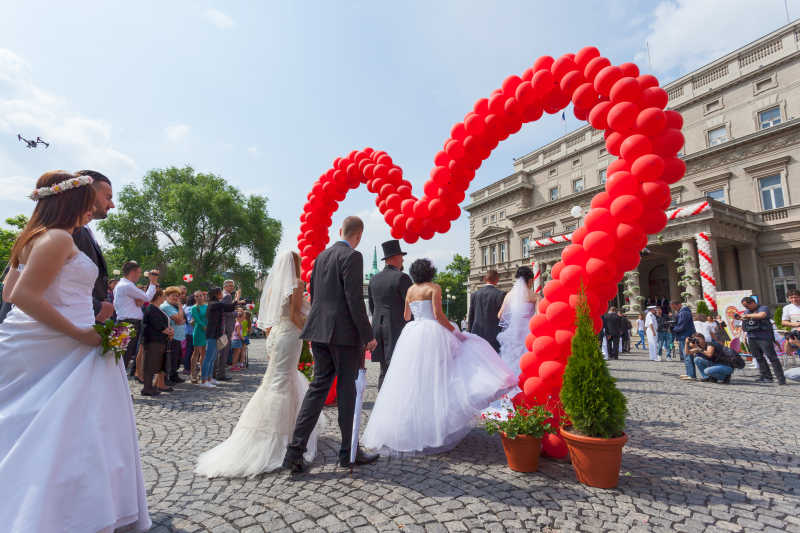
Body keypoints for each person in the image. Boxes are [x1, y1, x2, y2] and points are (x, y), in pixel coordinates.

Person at [0, 171, 150, 532]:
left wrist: (89, 314)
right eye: (92, 198)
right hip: (65, 345)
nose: (96, 206)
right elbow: (20, 296)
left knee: (49, 430)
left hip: (55, 340)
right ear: (73, 199)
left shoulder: (36, 238)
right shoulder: (55, 239)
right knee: (72, 433)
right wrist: (81, 333)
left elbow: (10, 293)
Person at [361, 259, 516, 455]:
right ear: (430, 272)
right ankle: (436, 425)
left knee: (412, 381)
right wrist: (456, 332)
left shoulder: (410, 290)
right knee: (439, 378)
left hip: (413, 333)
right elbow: (438, 315)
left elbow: (407, 316)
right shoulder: (434, 287)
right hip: (432, 332)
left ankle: (412, 425)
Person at [196, 252, 325, 477]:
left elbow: (276, 314)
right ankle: (282, 435)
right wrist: (311, 331)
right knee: (282, 381)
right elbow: (295, 315)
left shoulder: (274, 287)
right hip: (290, 335)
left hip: (277, 334)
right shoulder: (296, 284)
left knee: (277, 380)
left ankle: (286, 429)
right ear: (295, 264)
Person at [283, 216, 379, 473]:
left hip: (319, 331)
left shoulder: (321, 258)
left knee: (317, 390)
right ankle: (348, 452)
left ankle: (294, 452)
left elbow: (314, 294)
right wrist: (368, 334)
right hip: (344, 336)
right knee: (347, 393)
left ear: (340, 230)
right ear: (358, 236)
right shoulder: (353, 257)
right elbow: (354, 299)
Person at [368, 239, 413, 389]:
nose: (403, 259)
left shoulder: (374, 279)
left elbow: (372, 308)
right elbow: (411, 306)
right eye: (401, 256)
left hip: (378, 328)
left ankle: (382, 402)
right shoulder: (402, 277)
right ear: (394, 258)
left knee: (384, 370)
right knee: (399, 369)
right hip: (396, 329)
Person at [71, 170, 115, 323]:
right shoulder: (65, 229)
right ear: (88, 193)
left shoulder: (83, 230)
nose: (112, 205)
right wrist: (97, 307)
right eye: (108, 197)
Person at [114, 260, 158, 375]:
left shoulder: (122, 285)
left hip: (124, 322)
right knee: (122, 358)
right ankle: (118, 389)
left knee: (121, 358)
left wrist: (140, 300)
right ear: (132, 272)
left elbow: (140, 302)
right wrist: (153, 283)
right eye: (139, 272)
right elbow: (147, 298)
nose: (140, 275)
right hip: (128, 323)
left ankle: (118, 388)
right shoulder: (127, 286)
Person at [496, 266, 537, 375]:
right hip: (529, 334)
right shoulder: (534, 296)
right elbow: (539, 316)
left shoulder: (509, 295)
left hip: (513, 333)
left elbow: (500, 315)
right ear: (530, 280)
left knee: (512, 362)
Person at [740, 296, 786, 385]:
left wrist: (747, 316)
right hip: (752, 337)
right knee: (758, 358)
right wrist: (742, 317)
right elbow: (745, 321)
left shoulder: (763, 308)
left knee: (772, 358)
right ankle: (766, 377)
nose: (746, 308)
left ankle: (781, 378)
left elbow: (762, 315)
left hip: (764, 337)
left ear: (753, 303)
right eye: (745, 307)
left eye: (747, 306)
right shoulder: (747, 312)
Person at [202, 287, 240, 388]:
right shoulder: (215, 304)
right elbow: (231, 307)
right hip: (212, 334)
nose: (222, 294)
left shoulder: (216, 304)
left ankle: (210, 378)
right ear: (217, 294)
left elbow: (230, 308)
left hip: (216, 334)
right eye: (220, 293)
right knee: (208, 358)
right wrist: (237, 297)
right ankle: (204, 380)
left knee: (213, 357)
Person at [141, 289, 174, 396]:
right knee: (149, 365)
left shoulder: (156, 308)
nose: (164, 298)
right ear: (158, 296)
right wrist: (168, 331)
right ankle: (147, 388)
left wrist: (169, 331)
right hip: (153, 341)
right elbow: (157, 325)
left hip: (158, 340)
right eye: (163, 296)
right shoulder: (151, 308)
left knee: (154, 364)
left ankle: (151, 387)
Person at [467, 270, 504, 351]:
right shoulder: (500, 294)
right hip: (494, 336)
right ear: (497, 279)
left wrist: (469, 332)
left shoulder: (475, 294)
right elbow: (503, 317)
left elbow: (471, 316)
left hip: (476, 334)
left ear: (485, 279)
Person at [160, 286, 186, 384]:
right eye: (173, 296)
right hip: (171, 336)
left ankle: (174, 375)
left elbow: (182, 319)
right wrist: (180, 307)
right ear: (167, 296)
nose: (176, 298)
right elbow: (179, 320)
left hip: (177, 336)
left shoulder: (172, 306)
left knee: (177, 358)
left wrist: (180, 318)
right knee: (171, 358)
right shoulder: (166, 306)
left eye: (177, 296)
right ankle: (168, 377)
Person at [214, 279, 236, 381]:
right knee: (223, 352)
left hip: (221, 326)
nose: (232, 287)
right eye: (230, 286)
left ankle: (215, 372)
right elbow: (226, 311)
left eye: (233, 286)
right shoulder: (227, 296)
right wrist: (237, 313)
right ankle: (220, 374)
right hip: (226, 327)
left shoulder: (222, 295)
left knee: (219, 351)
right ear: (225, 286)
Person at [670, 300, 696, 377]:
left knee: (687, 355)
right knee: (686, 356)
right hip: (683, 336)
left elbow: (682, 326)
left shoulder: (684, 312)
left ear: (678, 305)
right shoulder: (683, 312)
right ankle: (689, 373)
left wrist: (673, 329)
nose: (674, 309)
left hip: (685, 336)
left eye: (674, 307)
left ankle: (691, 375)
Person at [190, 291, 208, 384]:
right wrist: (204, 326)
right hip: (198, 331)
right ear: (194, 298)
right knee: (196, 352)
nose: (199, 298)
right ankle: (193, 374)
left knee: (204, 352)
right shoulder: (194, 308)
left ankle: (202, 371)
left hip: (206, 331)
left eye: (200, 296)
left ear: (203, 296)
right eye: (196, 296)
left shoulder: (207, 306)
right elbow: (197, 319)